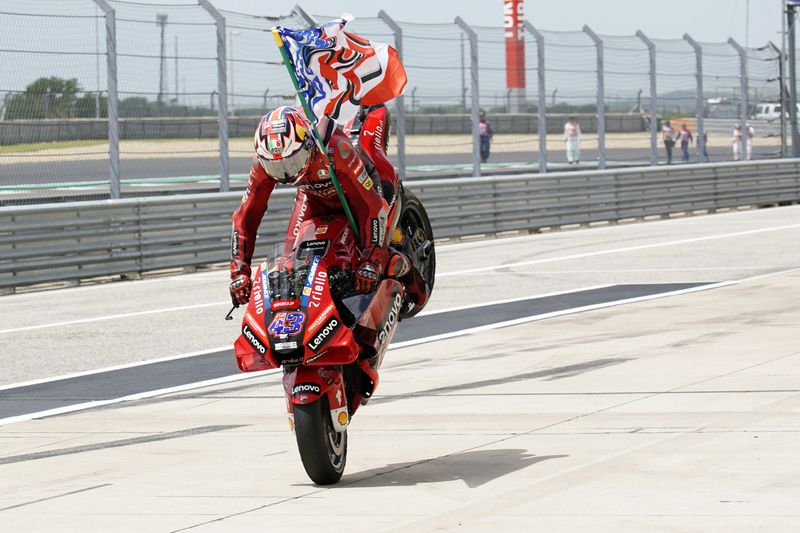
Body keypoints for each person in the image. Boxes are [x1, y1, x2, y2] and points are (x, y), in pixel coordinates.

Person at [229, 105, 427, 313]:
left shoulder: (336, 150)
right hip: (313, 196)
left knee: (381, 259)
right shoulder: (262, 163)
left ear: (308, 145)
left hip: (361, 191)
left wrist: (371, 261)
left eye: (292, 161)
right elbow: (245, 217)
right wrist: (239, 272)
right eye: (276, 167)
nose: (286, 174)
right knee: (290, 262)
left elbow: (370, 207)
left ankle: (414, 283)